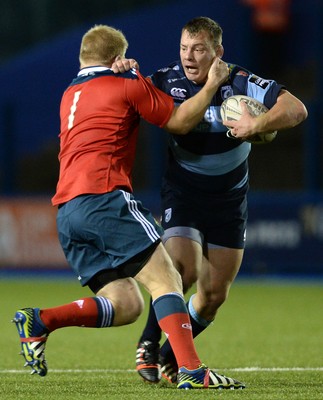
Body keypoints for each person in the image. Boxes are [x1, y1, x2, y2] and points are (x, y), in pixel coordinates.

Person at [11, 24, 246, 390]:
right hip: (104, 196)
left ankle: (39, 321)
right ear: (117, 58)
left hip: (67, 212)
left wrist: (129, 70)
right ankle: (192, 370)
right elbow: (180, 121)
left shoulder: (70, 92)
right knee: (168, 278)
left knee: (125, 304)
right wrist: (213, 84)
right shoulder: (126, 83)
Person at [112, 16, 308, 384]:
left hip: (230, 199)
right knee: (182, 269)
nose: (189, 56)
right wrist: (123, 70)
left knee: (214, 295)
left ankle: (172, 356)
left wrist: (257, 125)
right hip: (183, 191)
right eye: (185, 47)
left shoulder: (239, 81)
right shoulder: (166, 80)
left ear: (218, 52)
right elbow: (126, 93)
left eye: (199, 49)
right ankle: (149, 345)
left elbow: (297, 109)